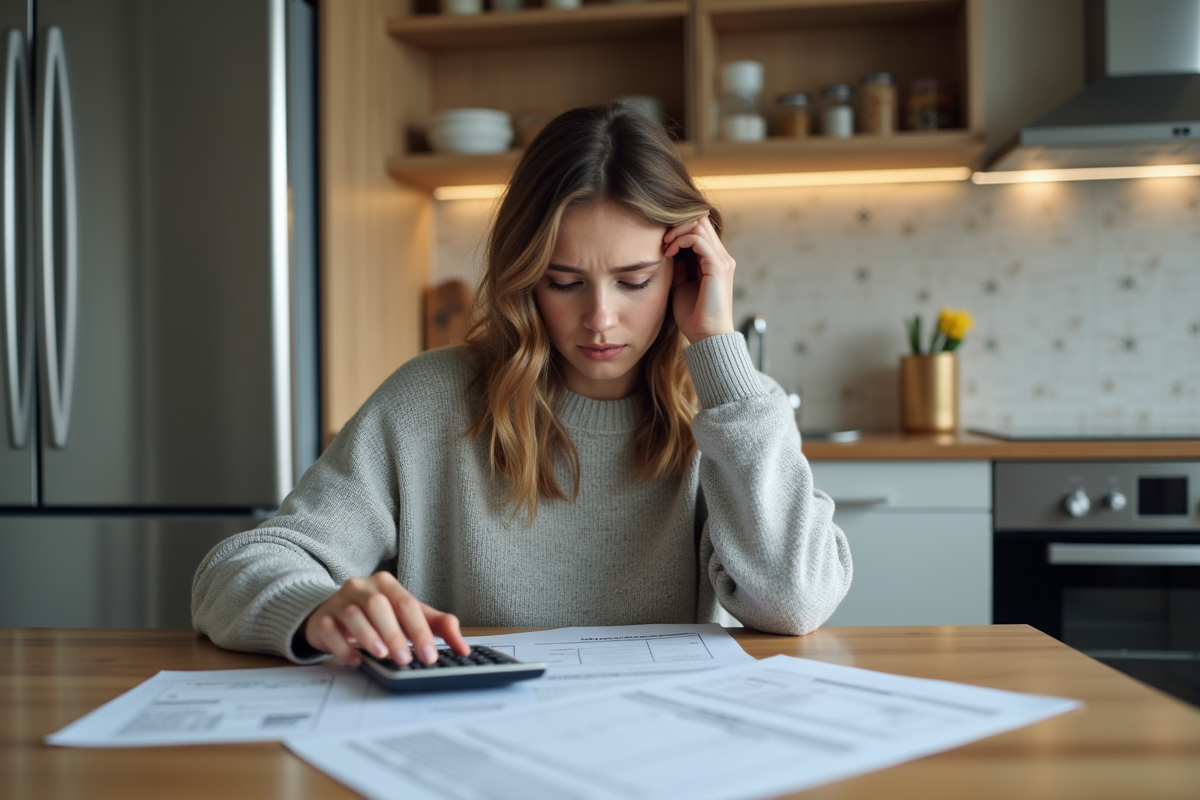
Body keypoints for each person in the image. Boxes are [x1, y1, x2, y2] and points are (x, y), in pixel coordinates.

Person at [192, 104, 852, 668]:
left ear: (686, 273)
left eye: (633, 280)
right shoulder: (430, 400)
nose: (599, 319)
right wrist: (317, 608)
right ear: (524, 276)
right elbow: (233, 571)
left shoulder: (720, 415)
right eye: (564, 281)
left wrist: (716, 348)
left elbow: (794, 599)